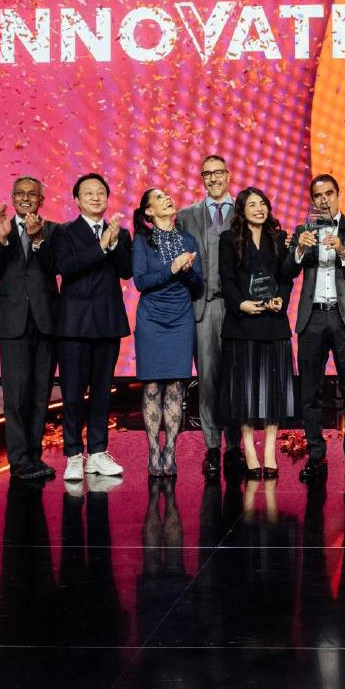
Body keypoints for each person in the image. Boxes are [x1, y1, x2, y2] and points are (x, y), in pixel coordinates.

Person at [283, 174, 345, 485]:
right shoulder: (302, 231)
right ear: (312, 200)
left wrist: (344, 251)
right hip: (313, 318)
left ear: (338, 195)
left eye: (329, 194)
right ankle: (316, 455)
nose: (324, 200)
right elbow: (287, 270)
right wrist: (299, 252)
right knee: (310, 392)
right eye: (317, 196)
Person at [53, 173, 133, 483]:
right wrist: (100, 247)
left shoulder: (120, 234)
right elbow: (65, 268)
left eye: (101, 192)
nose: (96, 197)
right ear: (77, 199)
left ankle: (97, 452)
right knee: (73, 393)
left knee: (102, 392)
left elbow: (126, 272)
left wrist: (113, 246)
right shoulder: (64, 233)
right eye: (89, 193)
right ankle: (74, 454)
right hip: (73, 325)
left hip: (107, 323)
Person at [0, 176, 58, 482]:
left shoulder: (53, 231)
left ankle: (34, 455)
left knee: (41, 392)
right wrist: (1, 242)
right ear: (13, 198)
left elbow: (57, 267)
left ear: (41, 200)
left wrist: (38, 239)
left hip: (45, 320)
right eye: (21, 194)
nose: (26, 198)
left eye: (32, 194)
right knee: (15, 394)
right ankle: (18, 458)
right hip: (12, 321)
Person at [217, 187, 296, 478]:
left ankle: (270, 451)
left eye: (262, 203)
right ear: (241, 210)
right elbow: (226, 279)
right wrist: (241, 304)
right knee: (244, 392)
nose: (259, 208)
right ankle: (249, 449)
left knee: (273, 390)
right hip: (241, 323)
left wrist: (281, 300)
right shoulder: (229, 239)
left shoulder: (278, 238)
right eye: (252, 204)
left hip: (273, 321)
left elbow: (287, 277)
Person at [131, 187, 203, 478]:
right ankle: (152, 449)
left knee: (176, 386)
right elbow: (140, 281)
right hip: (151, 319)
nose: (167, 199)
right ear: (149, 211)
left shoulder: (187, 239)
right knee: (151, 386)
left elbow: (198, 287)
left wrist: (187, 271)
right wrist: (172, 269)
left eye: (167, 196)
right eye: (158, 198)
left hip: (181, 317)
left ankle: (170, 450)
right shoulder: (142, 241)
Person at [177, 154, 241, 478]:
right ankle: (212, 448)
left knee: (236, 380)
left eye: (219, 173)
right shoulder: (186, 216)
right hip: (203, 307)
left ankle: (236, 448)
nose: (214, 178)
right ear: (202, 178)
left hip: (237, 311)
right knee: (209, 382)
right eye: (207, 174)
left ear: (229, 175)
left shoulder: (246, 211)